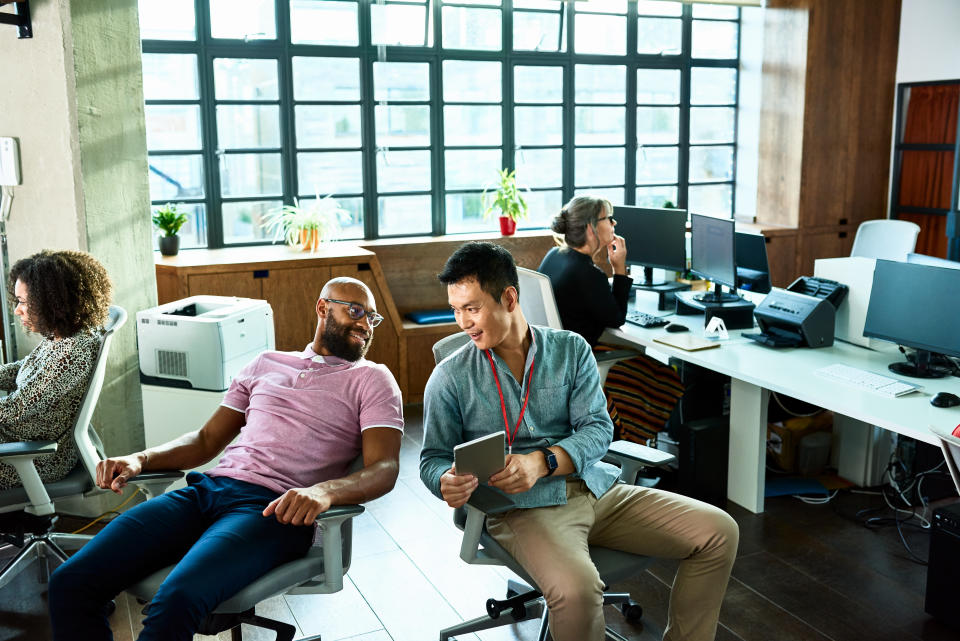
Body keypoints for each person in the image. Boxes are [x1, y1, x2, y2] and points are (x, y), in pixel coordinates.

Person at [49, 277, 404, 641]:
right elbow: (206, 440)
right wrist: (141, 458)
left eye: (372, 319)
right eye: (356, 311)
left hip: (273, 511)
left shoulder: (372, 379)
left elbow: (385, 467)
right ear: (322, 308)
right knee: (70, 583)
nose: (365, 324)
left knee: (177, 599)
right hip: (206, 492)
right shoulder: (266, 363)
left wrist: (324, 492)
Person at [420, 242, 737, 641]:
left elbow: (599, 429)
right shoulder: (450, 377)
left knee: (719, 531)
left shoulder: (570, 349)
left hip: (595, 488)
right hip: (521, 508)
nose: (462, 321)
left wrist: (542, 461)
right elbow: (432, 458)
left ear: (509, 297)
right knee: (577, 591)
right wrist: (443, 480)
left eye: (472, 308)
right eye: (456, 309)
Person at [539, 196, 683, 444]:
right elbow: (616, 318)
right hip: (578, 364)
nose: (615, 222)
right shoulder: (587, 274)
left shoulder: (555, 256)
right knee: (663, 374)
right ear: (590, 227)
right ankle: (630, 443)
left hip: (552, 360)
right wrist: (619, 269)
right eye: (608, 218)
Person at [0, 250, 113, 490]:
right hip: (18, 440)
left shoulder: (72, 352)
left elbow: (14, 408)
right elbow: (24, 369)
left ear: (51, 302)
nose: (17, 310)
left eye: (22, 302)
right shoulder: (61, 336)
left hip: (35, 457)